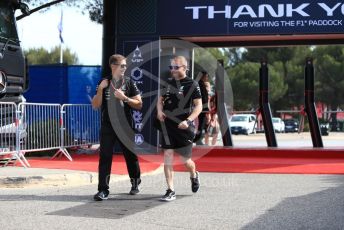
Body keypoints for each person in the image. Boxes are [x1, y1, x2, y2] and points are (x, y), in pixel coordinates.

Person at [92, 54, 143, 201]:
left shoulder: (129, 82)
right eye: (122, 65)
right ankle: (103, 190)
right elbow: (95, 105)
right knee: (105, 156)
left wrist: (125, 98)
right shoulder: (104, 82)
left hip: (125, 126)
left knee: (130, 156)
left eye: (126, 66)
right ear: (113, 66)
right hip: (108, 126)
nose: (125, 68)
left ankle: (135, 181)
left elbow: (139, 104)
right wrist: (100, 90)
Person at [156, 56, 203, 201]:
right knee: (168, 156)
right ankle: (170, 190)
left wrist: (188, 121)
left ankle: (194, 175)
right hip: (168, 125)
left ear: (184, 67)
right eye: (171, 67)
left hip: (184, 126)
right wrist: (159, 111)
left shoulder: (192, 84)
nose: (173, 70)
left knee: (185, 160)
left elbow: (199, 106)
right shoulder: (168, 83)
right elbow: (160, 101)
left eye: (176, 67)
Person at [194, 71, 211, 145]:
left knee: (202, 124)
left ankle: (197, 139)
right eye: (206, 76)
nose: (207, 78)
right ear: (202, 76)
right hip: (202, 108)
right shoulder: (200, 84)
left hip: (202, 107)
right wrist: (205, 107)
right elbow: (203, 98)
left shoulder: (200, 84)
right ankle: (197, 139)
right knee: (201, 125)